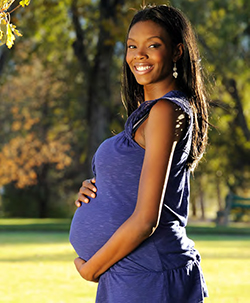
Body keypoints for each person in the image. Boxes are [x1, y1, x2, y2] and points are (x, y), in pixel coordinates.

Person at [69, 4, 209, 303]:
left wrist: (91, 269)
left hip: (148, 275)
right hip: (129, 272)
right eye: (132, 46)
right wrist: (98, 190)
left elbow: (147, 219)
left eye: (153, 45)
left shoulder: (167, 111)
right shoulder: (146, 114)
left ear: (177, 51)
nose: (139, 54)